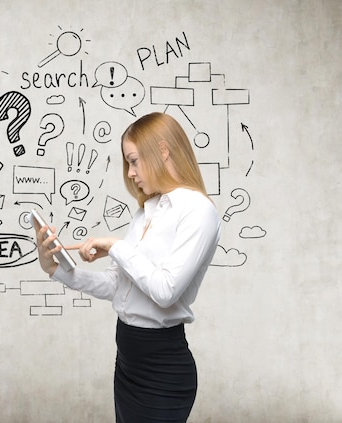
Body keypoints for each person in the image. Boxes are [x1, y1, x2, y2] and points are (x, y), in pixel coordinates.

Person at [33, 112, 221, 423]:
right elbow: (116, 287)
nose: (130, 173)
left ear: (162, 151)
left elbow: (165, 291)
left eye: (133, 161)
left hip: (162, 369)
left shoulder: (198, 211)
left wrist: (116, 247)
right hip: (128, 362)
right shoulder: (147, 210)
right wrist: (55, 269)